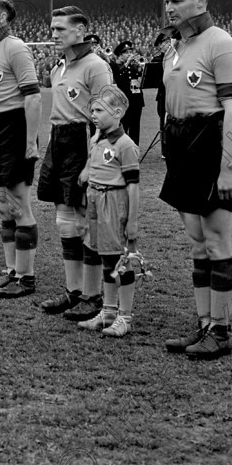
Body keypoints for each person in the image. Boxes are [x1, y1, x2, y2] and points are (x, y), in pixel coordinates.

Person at [159, 0, 232, 360]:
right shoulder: (173, 48)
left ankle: (221, 332)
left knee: (215, 240)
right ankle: (204, 324)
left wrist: (228, 167)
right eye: (167, 1)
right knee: (196, 240)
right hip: (180, 148)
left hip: (210, 146)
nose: (169, 7)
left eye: (176, 0)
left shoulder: (221, 43)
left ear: (201, 1)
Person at [36, 6, 113, 320]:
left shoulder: (96, 66)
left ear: (81, 31)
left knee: (85, 222)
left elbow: (105, 118)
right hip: (58, 140)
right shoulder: (59, 67)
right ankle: (73, 291)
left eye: (61, 29)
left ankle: (94, 295)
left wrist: (92, 161)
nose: (54, 35)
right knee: (64, 221)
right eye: (53, 29)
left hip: (82, 143)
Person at [0, 0, 42, 295]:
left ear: (3, 18)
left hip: (14, 128)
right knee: (2, 205)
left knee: (17, 203)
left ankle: (26, 278)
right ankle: (12, 271)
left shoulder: (16, 47)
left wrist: (30, 142)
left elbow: (33, 96)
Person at [76, 86, 140, 337]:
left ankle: (125, 317)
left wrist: (132, 222)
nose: (94, 114)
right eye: (92, 110)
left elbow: (133, 186)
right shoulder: (97, 139)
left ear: (118, 112)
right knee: (105, 257)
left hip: (113, 203)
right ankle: (109, 311)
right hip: (95, 201)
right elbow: (93, 166)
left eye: (100, 110)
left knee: (119, 260)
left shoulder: (125, 145)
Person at [110, 41, 144, 145]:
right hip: (123, 101)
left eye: (130, 52)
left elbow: (140, 80)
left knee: (135, 126)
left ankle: (134, 149)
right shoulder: (115, 65)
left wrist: (139, 68)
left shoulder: (132, 65)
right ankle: (122, 149)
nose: (130, 54)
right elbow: (118, 77)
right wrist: (127, 63)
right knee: (124, 125)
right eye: (127, 52)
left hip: (136, 100)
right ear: (120, 55)